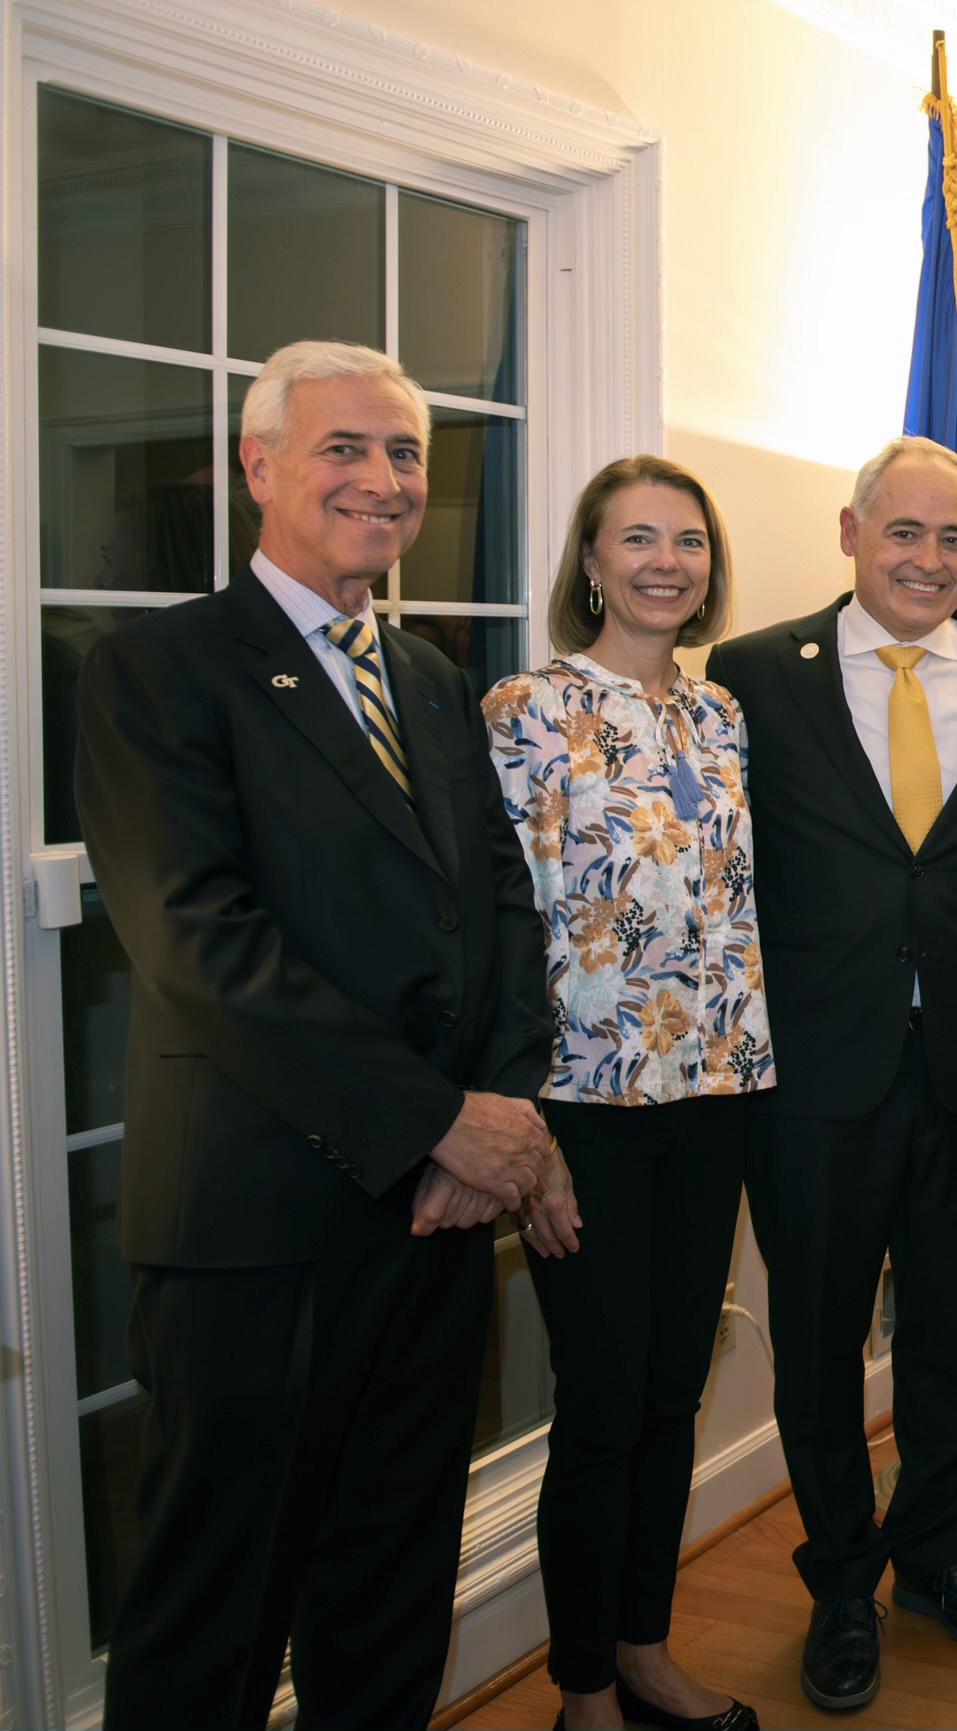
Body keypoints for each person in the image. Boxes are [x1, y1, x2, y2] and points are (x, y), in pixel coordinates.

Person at [76, 339, 556, 1729]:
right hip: (259, 1223)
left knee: (391, 1575)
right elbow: (201, 945)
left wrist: (496, 1113)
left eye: (404, 453)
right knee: (219, 1601)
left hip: (434, 1219)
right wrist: (436, 1118)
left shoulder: (429, 677)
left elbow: (503, 911)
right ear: (259, 466)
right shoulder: (156, 671)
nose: (383, 478)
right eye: (344, 447)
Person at [705, 435, 957, 1714]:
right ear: (851, 535)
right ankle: (840, 1585)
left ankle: (935, 1557)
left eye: (952, 538)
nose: (926, 559)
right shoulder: (751, 674)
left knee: (956, 1332)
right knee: (816, 1341)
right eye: (902, 532)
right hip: (812, 1077)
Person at [484, 456, 771, 1731]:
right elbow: (498, 927)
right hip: (581, 1112)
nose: (667, 562)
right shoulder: (523, 711)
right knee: (599, 1402)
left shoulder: (721, 718)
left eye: (689, 542)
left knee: (671, 1393)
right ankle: (584, 1690)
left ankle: (645, 1647)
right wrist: (521, 1134)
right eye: (638, 539)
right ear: (590, 563)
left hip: (712, 1093)